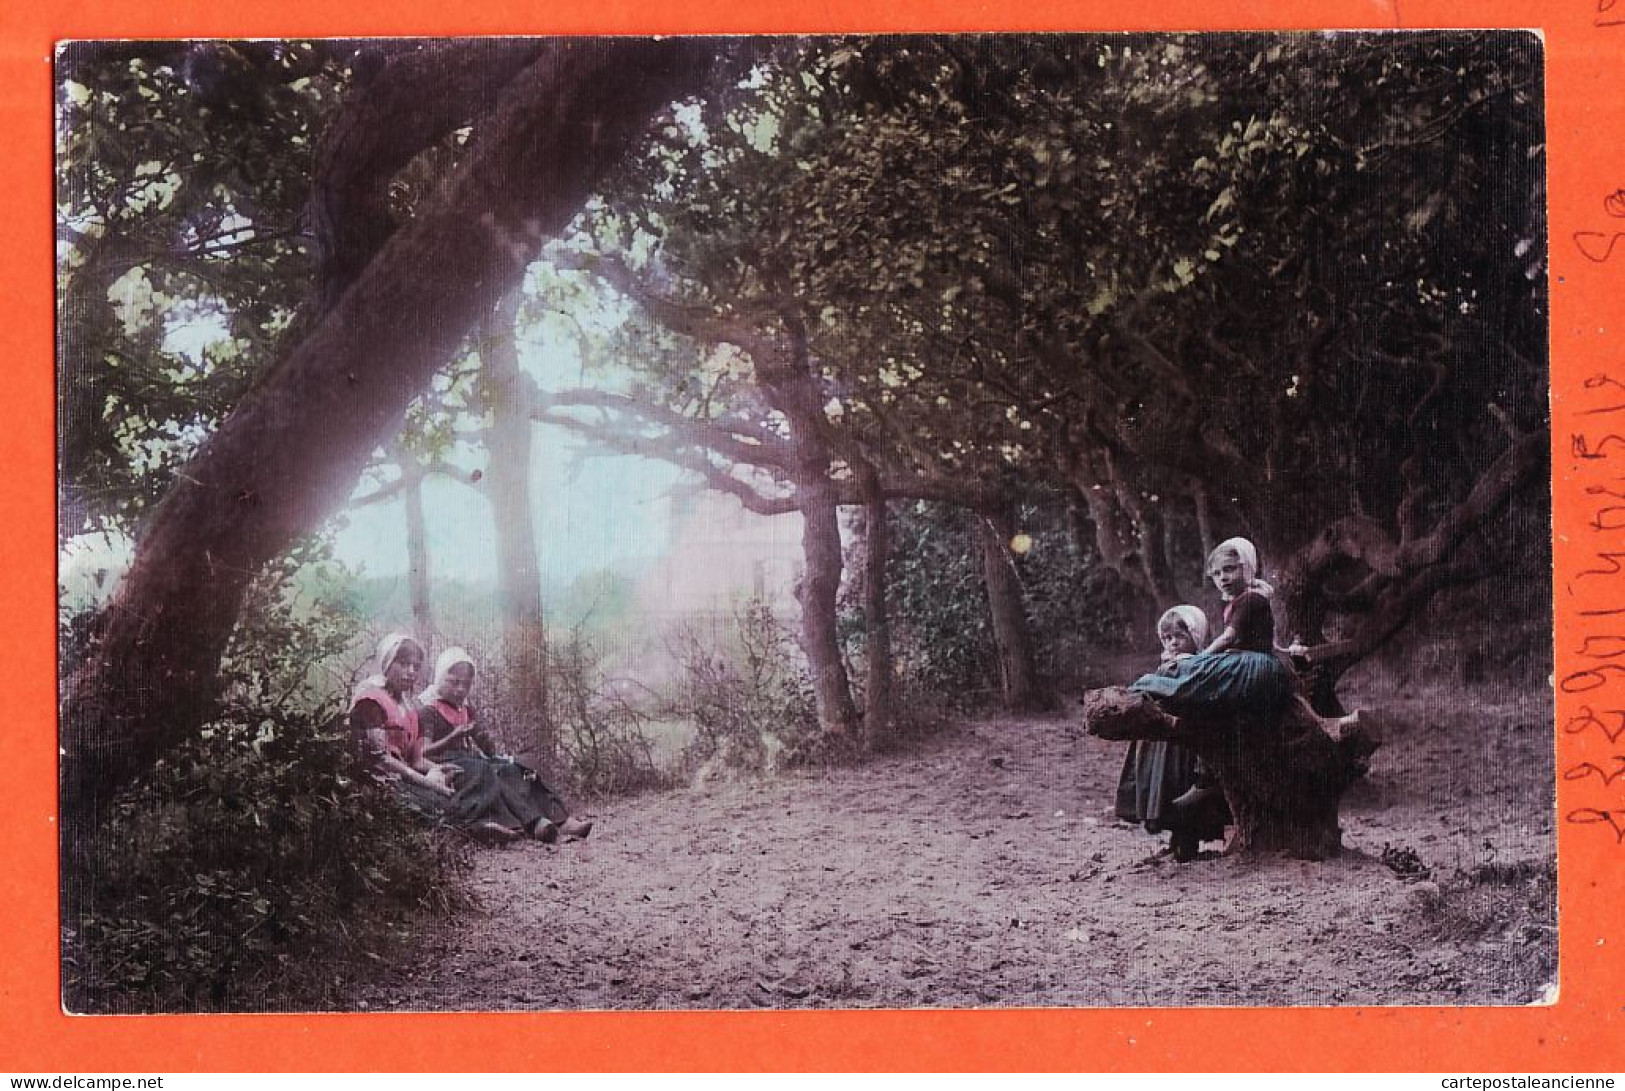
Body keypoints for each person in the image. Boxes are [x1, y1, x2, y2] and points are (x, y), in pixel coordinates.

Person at [349, 633, 519, 843]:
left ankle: (467, 826)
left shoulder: (408, 706)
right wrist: (426, 781)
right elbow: (379, 759)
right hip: (377, 781)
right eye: (403, 664)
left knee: (463, 786)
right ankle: (470, 827)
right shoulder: (371, 701)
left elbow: (416, 758)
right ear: (387, 662)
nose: (411, 672)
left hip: (404, 776)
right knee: (435, 802)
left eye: (416, 667)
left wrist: (436, 769)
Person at [417, 647, 593, 843]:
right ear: (440, 677)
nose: (460, 690)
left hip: (474, 762)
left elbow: (489, 751)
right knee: (486, 771)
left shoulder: (466, 710)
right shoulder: (428, 711)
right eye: (454, 682)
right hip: (451, 765)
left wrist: (482, 737)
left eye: (466, 684)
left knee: (515, 769)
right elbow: (423, 752)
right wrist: (452, 737)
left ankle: (560, 819)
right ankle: (534, 823)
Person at [1127, 538, 1296, 720]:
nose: (1223, 577)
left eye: (1230, 569)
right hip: (1248, 662)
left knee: (1194, 669)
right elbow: (1272, 642)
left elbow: (1228, 638)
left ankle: (1148, 685)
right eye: (1216, 573)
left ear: (1247, 567)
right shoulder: (1241, 601)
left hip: (1252, 665)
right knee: (1190, 669)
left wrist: (1203, 657)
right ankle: (1155, 687)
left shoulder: (1250, 600)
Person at [1114, 605, 1228, 861]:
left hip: (1181, 739)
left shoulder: (1194, 666)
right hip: (1161, 741)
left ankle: (1186, 843)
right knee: (1164, 787)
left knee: (1181, 787)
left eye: (1180, 636)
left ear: (1195, 636)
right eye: (1167, 638)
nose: (1173, 643)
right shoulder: (1168, 665)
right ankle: (1177, 841)